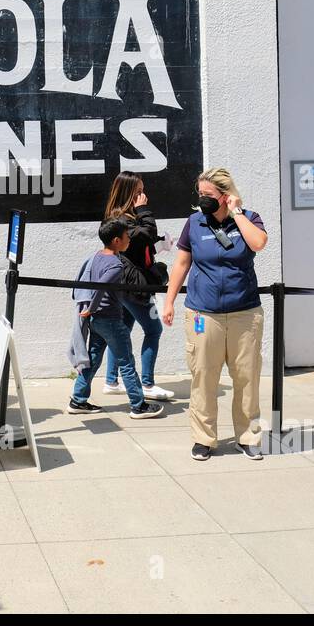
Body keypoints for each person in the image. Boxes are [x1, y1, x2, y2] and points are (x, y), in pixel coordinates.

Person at [162, 168, 267, 462]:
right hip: (202, 313)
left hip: (244, 312)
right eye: (200, 195)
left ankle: (247, 437)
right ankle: (203, 439)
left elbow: (258, 243)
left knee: (247, 378)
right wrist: (169, 301)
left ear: (225, 194)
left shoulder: (248, 217)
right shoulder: (194, 223)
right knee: (204, 377)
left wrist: (237, 214)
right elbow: (182, 264)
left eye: (208, 195)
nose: (201, 200)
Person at [70, 219, 165, 419]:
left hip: (97, 321)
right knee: (127, 362)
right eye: (126, 236)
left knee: (93, 359)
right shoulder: (116, 264)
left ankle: (77, 399)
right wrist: (90, 308)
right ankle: (138, 405)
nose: (129, 240)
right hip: (110, 320)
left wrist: (91, 311)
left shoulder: (97, 256)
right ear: (116, 240)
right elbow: (100, 287)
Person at [100, 172, 174, 403]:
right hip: (132, 285)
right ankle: (148, 383)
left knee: (122, 330)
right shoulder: (120, 218)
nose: (144, 195)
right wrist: (144, 212)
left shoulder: (126, 217)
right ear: (128, 192)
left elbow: (143, 241)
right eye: (139, 191)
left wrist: (160, 244)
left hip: (128, 282)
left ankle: (112, 380)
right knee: (154, 330)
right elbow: (145, 234)